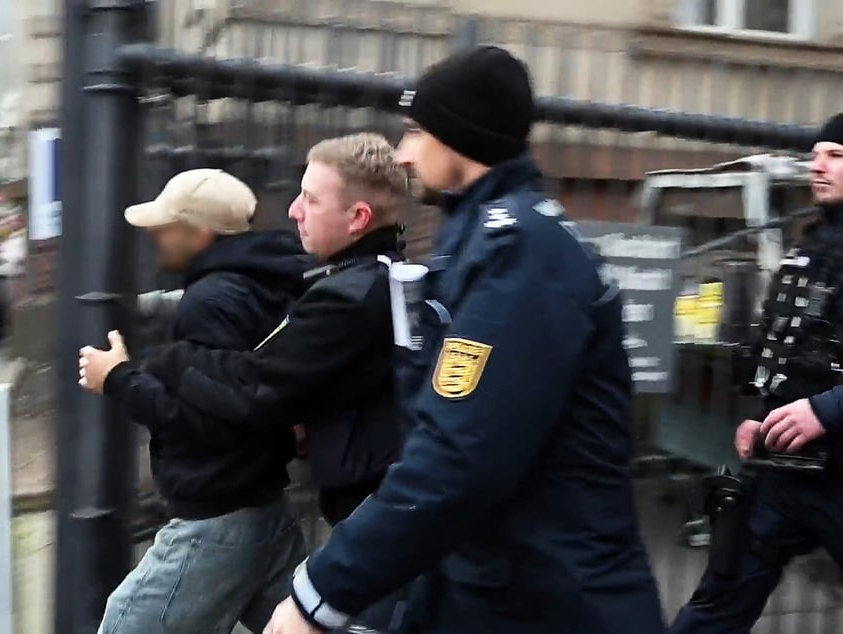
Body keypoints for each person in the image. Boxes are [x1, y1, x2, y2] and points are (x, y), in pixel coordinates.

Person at [264, 45, 667, 634]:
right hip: (496, 586)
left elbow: (458, 455)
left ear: (457, 137)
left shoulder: (521, 254)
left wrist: (319, 595)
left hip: (553, 603)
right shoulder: (484, 238)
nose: (402, 153)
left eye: (414, 131)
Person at [85, 133, 408, 630]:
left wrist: (127, 378)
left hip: (227, 511)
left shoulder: (323, 295)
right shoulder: (309, 282)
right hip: (273, 505)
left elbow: (243, 399)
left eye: (311, 198)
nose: (296, 210)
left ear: (199, 232)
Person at [78, 168, 311, 634]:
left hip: (217, 516)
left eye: (165, 224)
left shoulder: (212, 300)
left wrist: (119, 380)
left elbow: (210, 420)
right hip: (261, 502)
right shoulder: (265, 285)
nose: (155, 234)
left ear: (200, 232)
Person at [671, 109, 843, 633]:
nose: (817, 167)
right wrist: (764, 417)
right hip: (782, 472)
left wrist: (828, 411)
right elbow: (789, 352)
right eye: (815, 155)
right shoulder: (810, 246)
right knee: (715, 605)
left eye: (837, 156)